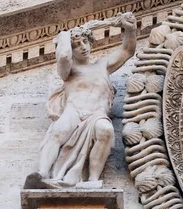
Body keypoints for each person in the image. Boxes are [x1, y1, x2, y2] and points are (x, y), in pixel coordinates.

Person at [26, 13, 137, 189]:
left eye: (85, 42)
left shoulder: (103, 65)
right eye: (76, 45)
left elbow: (127, 50)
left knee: (106, 130)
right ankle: (43, 173)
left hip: (97, 114)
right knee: (58, 131)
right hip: (74, 111)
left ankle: (93, 180)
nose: (83, 47)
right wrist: (64, 36)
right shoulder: (69, 71)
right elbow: (63, 56)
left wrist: (130, 28)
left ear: (91, 41)